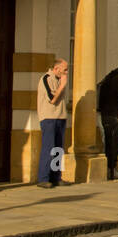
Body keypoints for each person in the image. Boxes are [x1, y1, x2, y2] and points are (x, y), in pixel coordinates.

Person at [36, 58, 70, 188]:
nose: (66, 72)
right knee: (48, 147)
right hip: (49, 117)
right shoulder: (46, 78)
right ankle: (43, 178)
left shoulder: (59, 79)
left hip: (60, 116)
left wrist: (61, 85)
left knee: (58, 148)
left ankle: (56, 177)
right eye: (65, 70)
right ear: (56, 69)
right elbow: (52, 99)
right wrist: (62, 86)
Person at [97, 62, 118, 180]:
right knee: (114, 142)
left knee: (107, 141)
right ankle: (112, 170)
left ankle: (107, 169)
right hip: (111, 113)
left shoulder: (109, 77)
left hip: (103, 113)